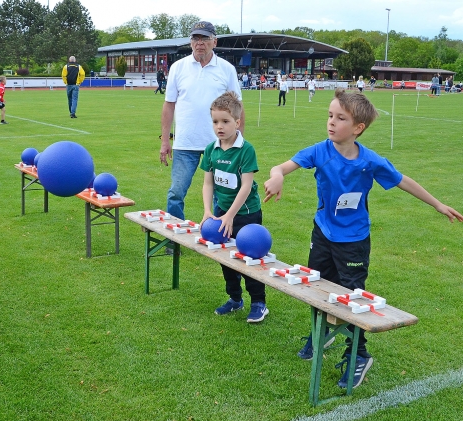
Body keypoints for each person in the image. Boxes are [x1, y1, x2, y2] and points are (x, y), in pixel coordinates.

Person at [263, 88, 463, 389]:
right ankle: (320, 337)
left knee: (352, 298)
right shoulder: (320, 151)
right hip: (322, 232)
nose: (331, 122)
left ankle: (358, 354)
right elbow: (282, 167)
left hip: (354, 240)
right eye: (330, 115)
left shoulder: (370, 161)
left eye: (340, 118)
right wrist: (277, 175)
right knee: (317, 287)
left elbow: (402, 181)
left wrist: (436, 203)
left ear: (358, 128)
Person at [159, 21, 243, 221]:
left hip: (218, 145)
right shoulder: (178, 68)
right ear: (190, 43)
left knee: (221, 196)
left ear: (214, 41)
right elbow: (169, 105)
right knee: (176, 193)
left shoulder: (227, 69)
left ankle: (219, 235)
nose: (200, 43)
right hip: (185, 143)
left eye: (205, 38)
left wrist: (239, 140)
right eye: (195, 38)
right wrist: (165, 140)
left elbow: (238, 106)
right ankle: (174, 240)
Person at [200, 91, 268, 322]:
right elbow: (208, 182)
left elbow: (246, 186)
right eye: (215, 121)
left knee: (250, 259)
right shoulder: (211, 149)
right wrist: (209, 211)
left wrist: (230, 215)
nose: (220, 126)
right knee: (226, 259)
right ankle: (235, 299)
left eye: (225, 121)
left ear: (237, 123)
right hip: (221, 213)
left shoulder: (246, 150)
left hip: (247, 214)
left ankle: (259, 303)